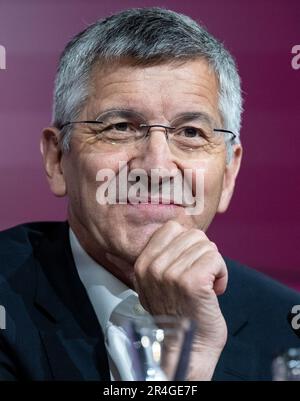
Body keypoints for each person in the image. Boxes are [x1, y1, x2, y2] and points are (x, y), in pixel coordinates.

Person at [0, 7, 299, 381]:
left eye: (190, 133)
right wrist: (181, 372)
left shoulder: (288, 327)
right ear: (58, 158)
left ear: (228, 173)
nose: (156, 168)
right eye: (121, 127)